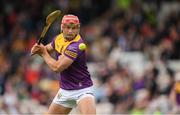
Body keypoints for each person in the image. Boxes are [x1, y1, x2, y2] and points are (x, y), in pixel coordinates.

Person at [31, 14, 96, 114]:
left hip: (82, 90)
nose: (70, 31)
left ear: (78, 28)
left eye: (74, 28)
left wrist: (42, 52)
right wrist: (39, 49)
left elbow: (57, 67)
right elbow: (46, 51)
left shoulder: (77, 46)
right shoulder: (58, 38)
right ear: (62, 27)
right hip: (65, 91)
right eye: (67, 27)